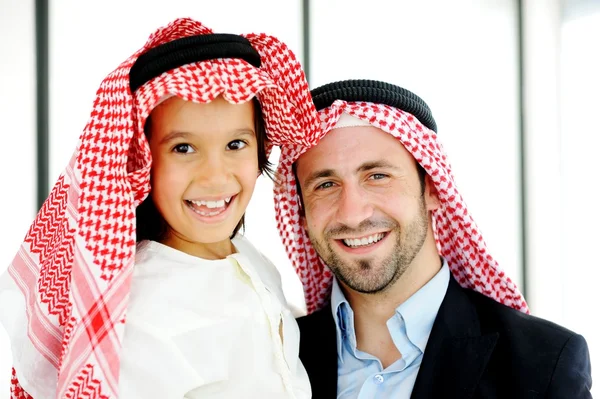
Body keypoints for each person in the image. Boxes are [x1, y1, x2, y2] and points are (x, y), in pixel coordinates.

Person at [0, 18, 316, 399]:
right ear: (142, 161)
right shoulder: (138, 320)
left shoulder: (249, 260)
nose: (215, 177)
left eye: (236, 144)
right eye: (183, 148)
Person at [272, 79, 593, 398]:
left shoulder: (545, 364)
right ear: (301, 211)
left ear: (433, 189)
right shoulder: (273, 358)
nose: (353, 213)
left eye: (378, 176)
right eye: (325, 185)